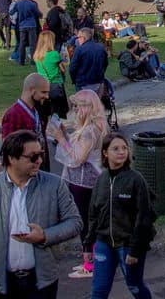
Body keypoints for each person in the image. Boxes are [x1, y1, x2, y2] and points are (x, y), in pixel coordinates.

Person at [0, 130, 82, 299]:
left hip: (41, 282)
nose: (40, 161)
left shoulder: (55, 185)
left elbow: (74, 222)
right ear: (12, 158)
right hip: (0, 284)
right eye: (33, 157)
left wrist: (44, 236)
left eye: (41, 155)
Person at [85, 132, 157, 299]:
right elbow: (93, 215)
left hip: (127, 245)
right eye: (115, 148)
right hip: (104, 243)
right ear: (105, 153)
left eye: (124, 148)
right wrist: (88, 245)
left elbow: (144, 217)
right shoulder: (101, 179)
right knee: (98, 290)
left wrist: (135, 250)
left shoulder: (136, 179)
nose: (121, 152)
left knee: (135, 286)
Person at [51, 87, 108, 279]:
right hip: (85, 182)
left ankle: (90, 264)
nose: (74, 111)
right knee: (88, 222)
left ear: (88, 108)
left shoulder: (89, 131)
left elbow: (76, 158)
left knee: (85, 223)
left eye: (78, 107)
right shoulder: (91, 128)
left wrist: (60, 139)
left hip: (84, 184)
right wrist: (65, 136)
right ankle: (91, 261)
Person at [69, 28, 109, 95]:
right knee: (96, 103)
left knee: (84, 104)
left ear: (83, 38)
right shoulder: (101, 48)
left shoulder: (79, 49)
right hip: (98, 81)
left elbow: (72, 68)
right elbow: (105, 64)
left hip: (82, 83)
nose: (77, 40)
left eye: (78, 37)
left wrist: (74, 80)